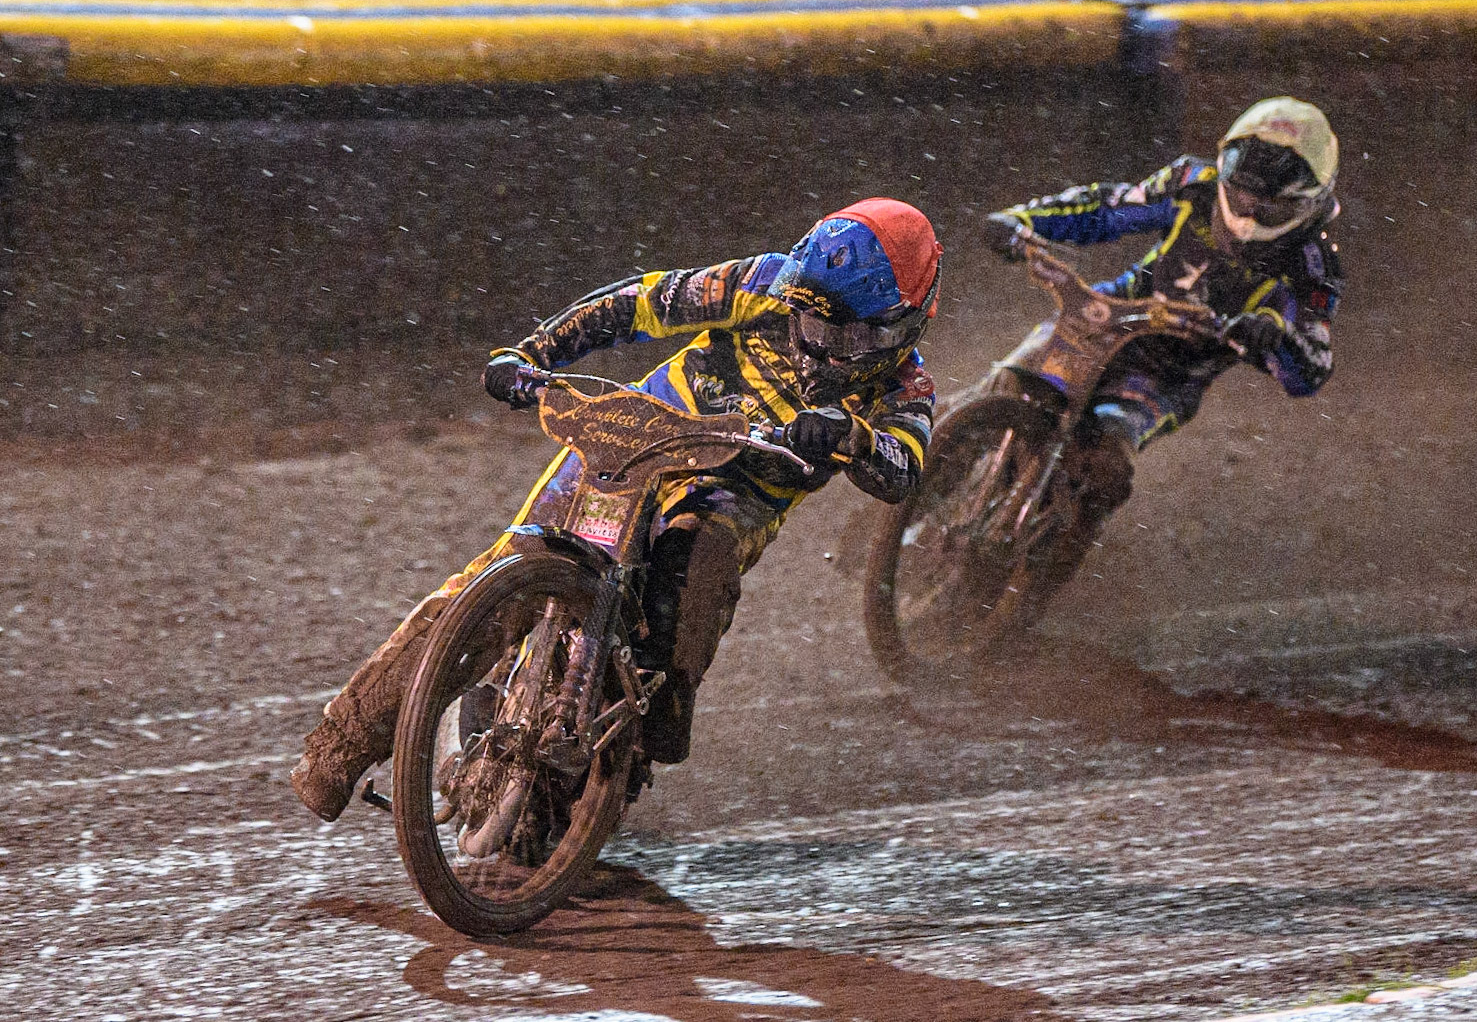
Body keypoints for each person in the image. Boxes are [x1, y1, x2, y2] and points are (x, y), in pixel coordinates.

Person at [290, 198, 943, 822]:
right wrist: (533, 354)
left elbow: (904, 465)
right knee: (498, 576)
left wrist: (855, 438)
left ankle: (636, 737)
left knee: (693, 574)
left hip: (732, 489)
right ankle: (340, 746)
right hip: (634, 435)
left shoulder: (906, 387)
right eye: (816, 320)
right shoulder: (761, 282)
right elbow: (640, 302)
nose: (828, 345)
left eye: (852, 331)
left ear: (904, 324)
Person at [980, 96, 1343, 527]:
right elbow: (1106, 208)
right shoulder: (1193, 182)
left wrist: (1275, 336)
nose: (1248, 216)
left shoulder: (1314, 265)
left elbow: (1312, 367)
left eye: (1269, 208)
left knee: (1107, 463)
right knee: (1011, 379)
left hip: (1171, 371)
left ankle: (1047, 557)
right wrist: (1023, 222)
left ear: (1311, 205)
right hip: (1110, 315)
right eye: (1242, 196)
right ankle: (933, 461)